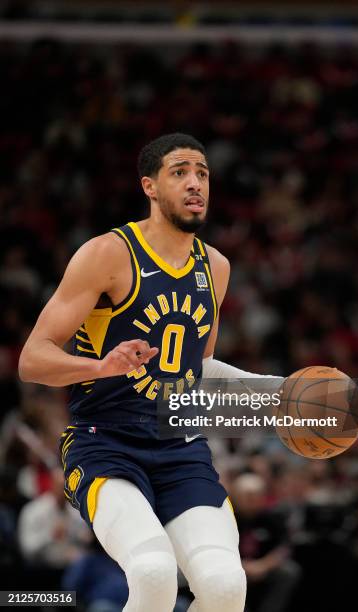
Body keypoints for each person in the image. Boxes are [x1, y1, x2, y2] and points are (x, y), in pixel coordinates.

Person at [19, 133, 281, 612]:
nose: (195, 182)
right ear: (150, 187)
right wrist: (101, 366)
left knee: (226, 588)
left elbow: (196, 373)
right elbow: (32, 360)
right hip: (104, 443)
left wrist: (281, 396)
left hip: (179, 447)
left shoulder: (215, 268)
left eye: (202, 173)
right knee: (154, 571)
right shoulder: (108, 253)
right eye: (180, 172)